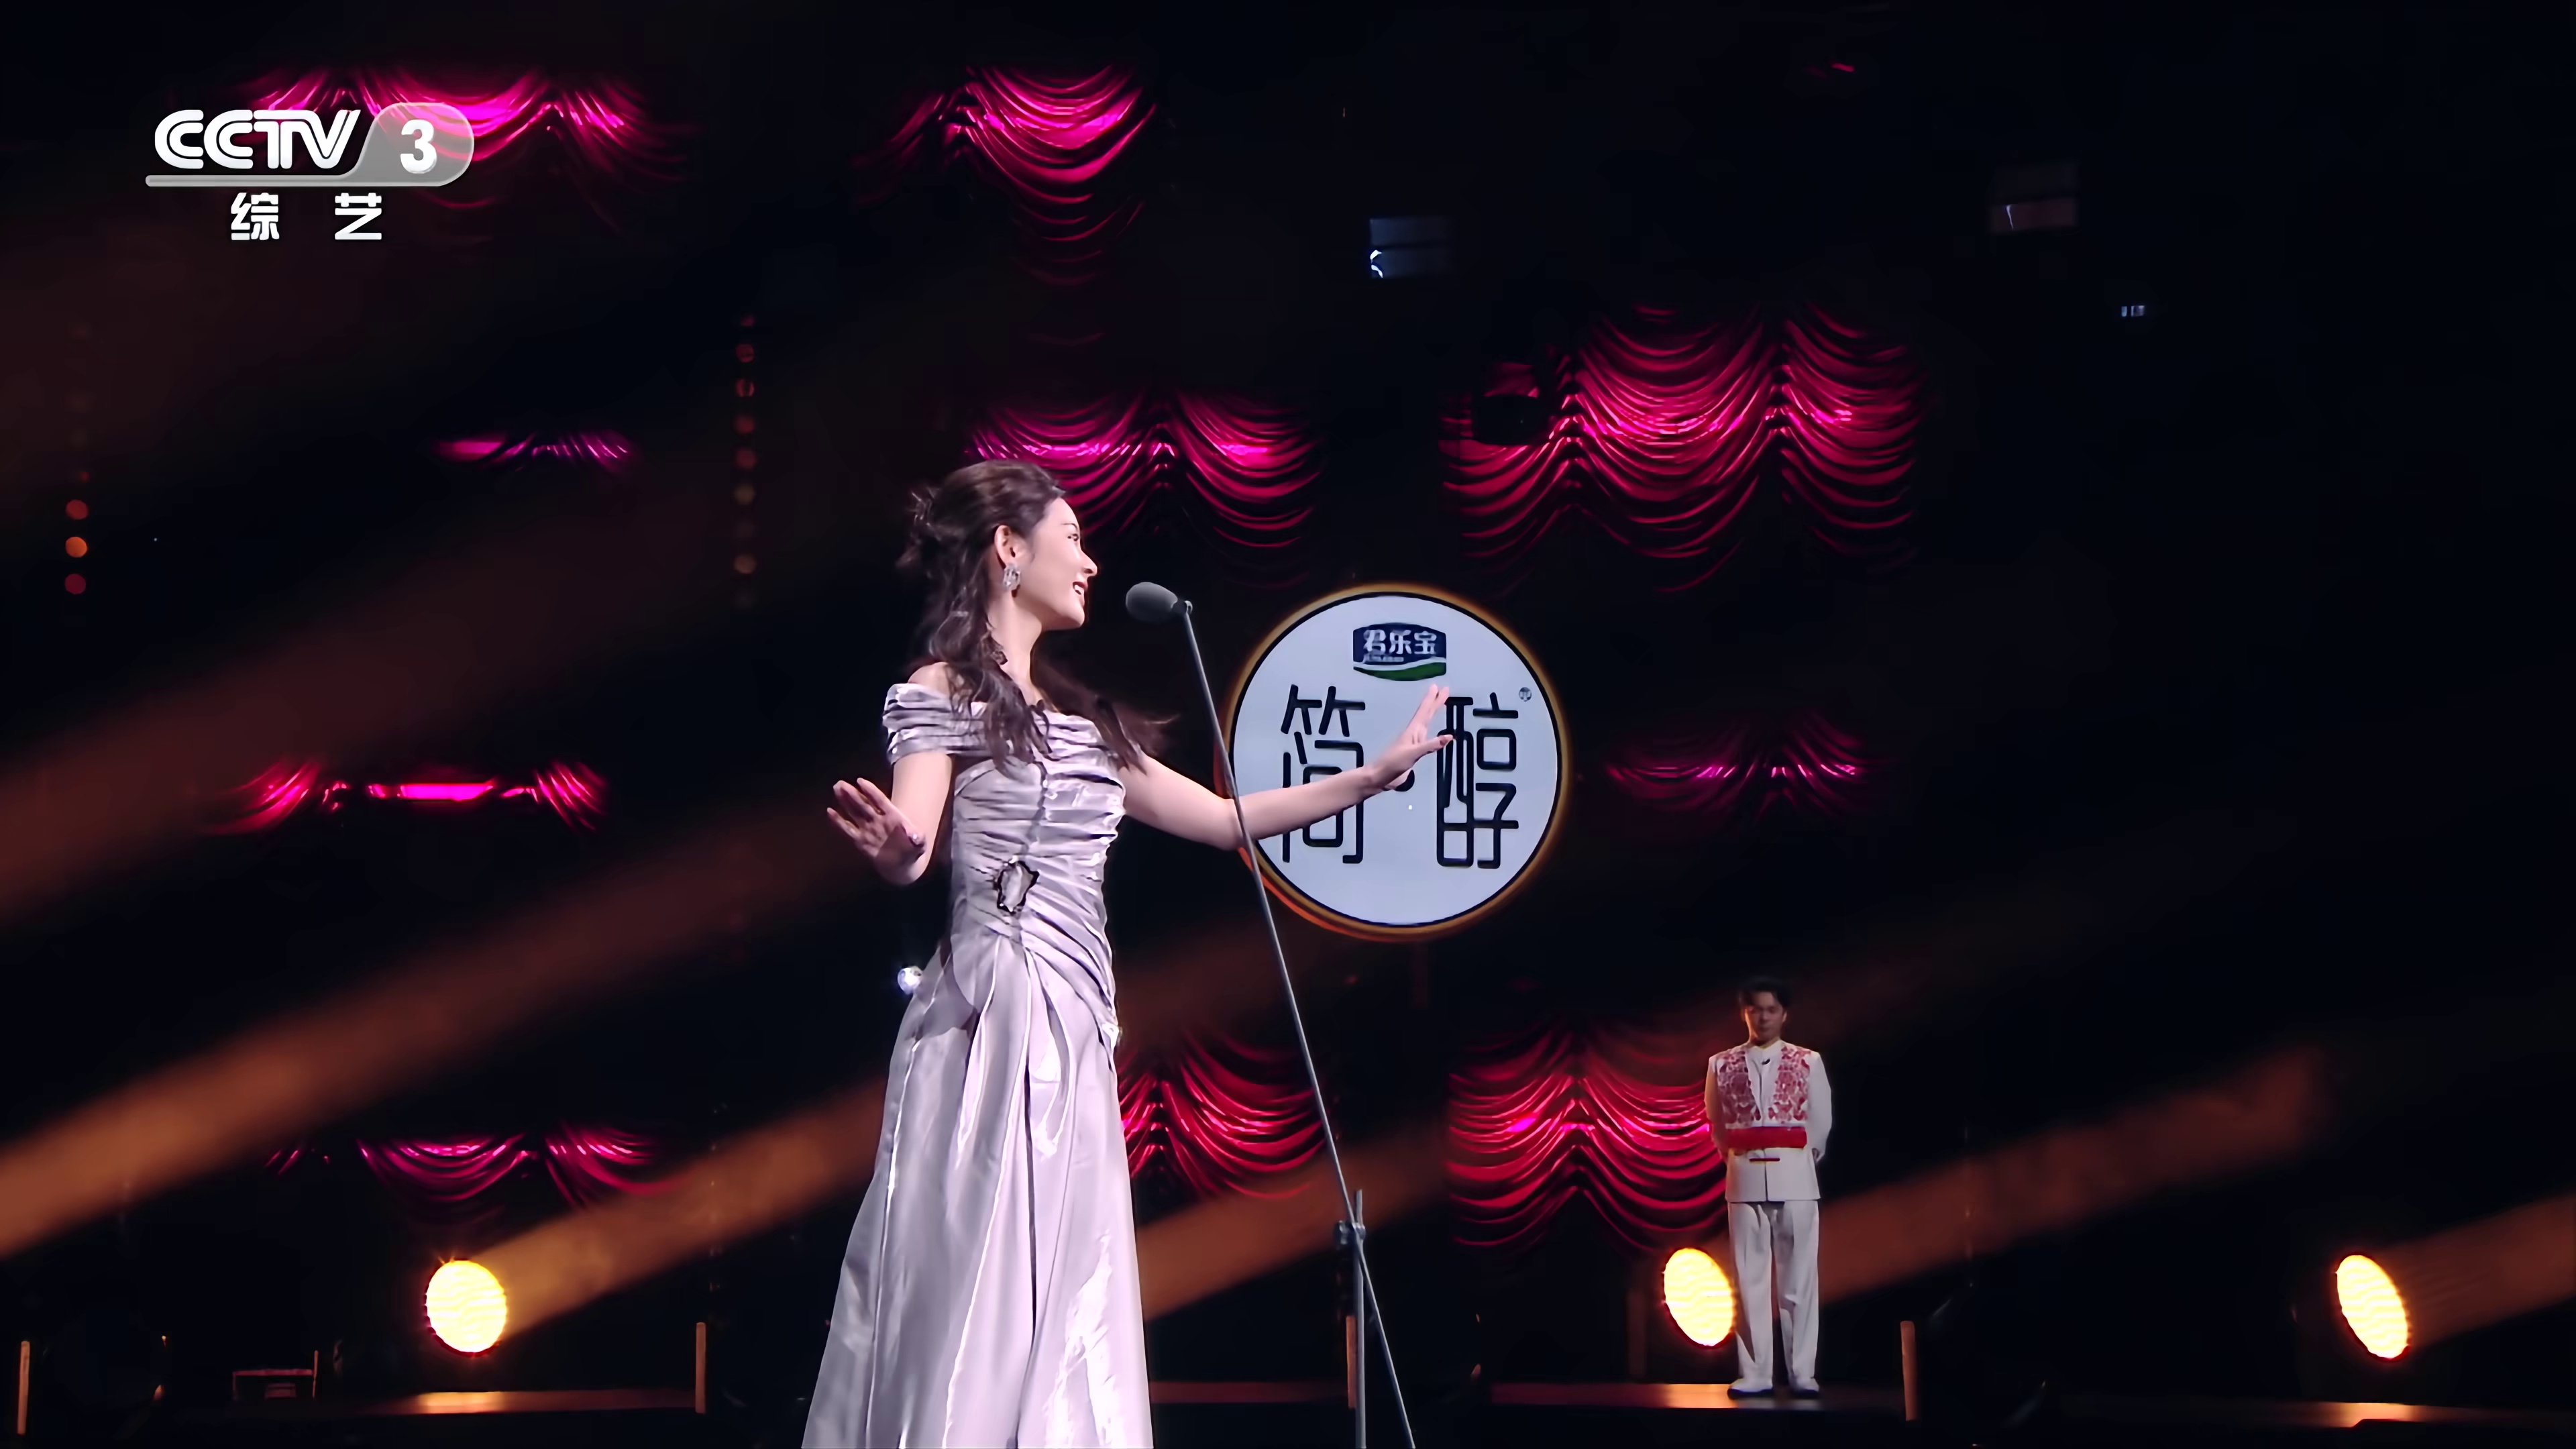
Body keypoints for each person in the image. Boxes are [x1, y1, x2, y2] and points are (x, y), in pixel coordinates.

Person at [804, 460, 1452, 1448]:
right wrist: (896, 852)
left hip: (1074, 1024)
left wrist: (1374, 776)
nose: (1091, 563)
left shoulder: (1088, 724)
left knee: (1068, 1272)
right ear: (1008, 548)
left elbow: (1227, 820)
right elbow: (914, 841)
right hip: (991, 1017)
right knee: (977, 1262)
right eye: (1072, 538)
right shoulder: (940, 691)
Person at [1703, 975, 1834, 1399]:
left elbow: (1820, 1123)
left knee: (1799, 1281)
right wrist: (1738, 1158)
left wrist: (1797, 1160)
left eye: (1771, 1010)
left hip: (1795, 1180)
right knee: (1749, 1281)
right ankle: (1756, 1372)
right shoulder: (1721, 1064)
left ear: (1784, 1014)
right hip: (1743, 1180)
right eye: (1755, 1009)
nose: (1763, 1018)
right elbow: (1717, 1124)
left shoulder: (1808, 1061)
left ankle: (1801, 1372)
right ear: (1745, 1013)